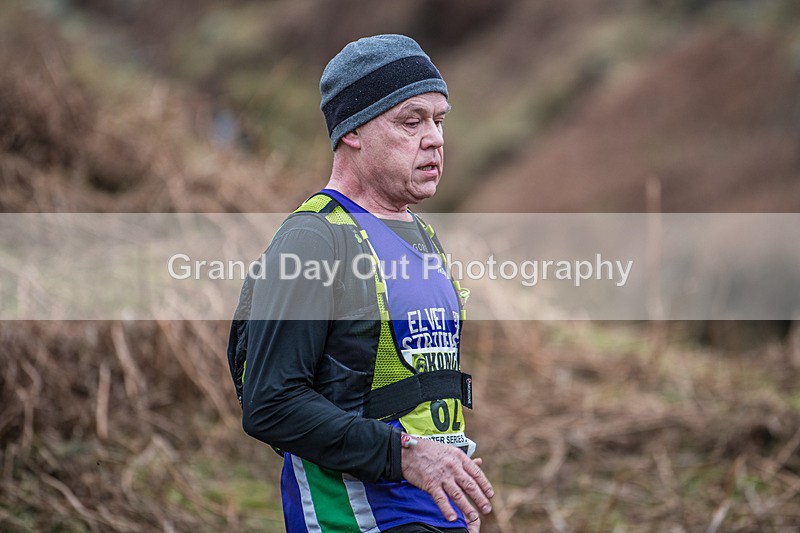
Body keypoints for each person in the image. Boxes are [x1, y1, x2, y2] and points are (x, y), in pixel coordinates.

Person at [228, 34, 493, 533]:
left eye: (439, 120)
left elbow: (418, 393)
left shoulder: (422, 235)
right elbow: (271, 404)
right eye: (410, 122)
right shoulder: (314, 240)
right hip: (360, 519)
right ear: (353, 131)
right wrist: (408, 457)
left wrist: (452, 480)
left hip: (433, 513)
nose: (434, 137)